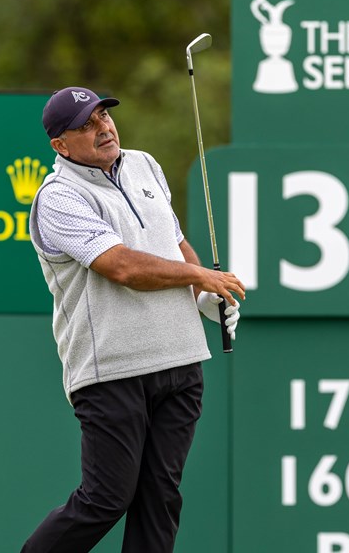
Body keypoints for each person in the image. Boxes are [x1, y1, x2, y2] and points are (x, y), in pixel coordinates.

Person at [22, 87, 245, 553]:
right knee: (106, 499)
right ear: (60, 145)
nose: (103, 127)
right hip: (112, 371)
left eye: (103, 116)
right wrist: (200, 274)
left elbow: (173, 238)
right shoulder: (58, 197)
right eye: (86, 124)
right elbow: (122, 267)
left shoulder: (144, 164)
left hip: (181, 362)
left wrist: (203, 289)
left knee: (160, 500)